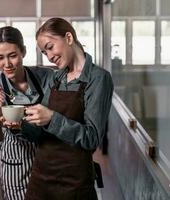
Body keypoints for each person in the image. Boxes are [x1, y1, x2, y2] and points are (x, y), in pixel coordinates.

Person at [24, 18, 114, 200]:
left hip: (74, 185)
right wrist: (19, 124)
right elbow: (39, 134)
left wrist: (51, 118)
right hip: (41, 180)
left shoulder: (99, 79)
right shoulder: (54, 79)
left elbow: (91, 138)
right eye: (44, 52)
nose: (49, 56)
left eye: (50, 47)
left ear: (68, 37)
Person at [0, 26, 53, 200]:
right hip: (16, 173)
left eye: (12, 55)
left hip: (49, 167)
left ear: (24, 52)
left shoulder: (45, 77)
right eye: (0, 58)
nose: (7, 64)